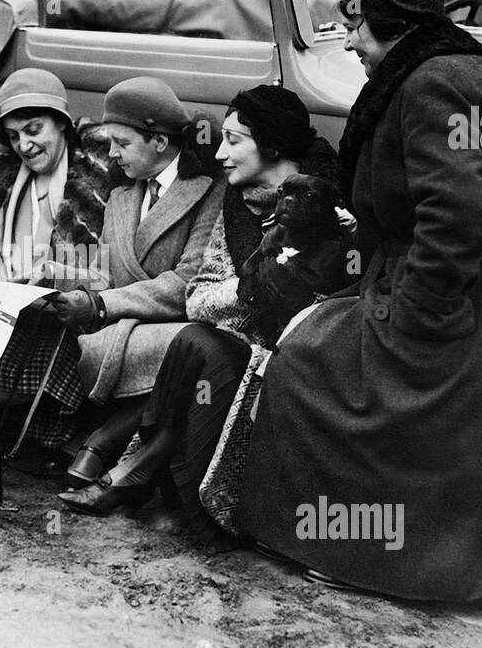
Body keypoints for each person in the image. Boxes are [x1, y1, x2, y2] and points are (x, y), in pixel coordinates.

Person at [236, 0, 482, 600]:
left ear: (390, 23)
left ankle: (374, 556)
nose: (349, 41)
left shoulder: (430, 84)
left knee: (315, 369)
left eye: (358, 24)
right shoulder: (447, 68)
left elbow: (456, 218)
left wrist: (415, 320)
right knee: (314, 347)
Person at [59, 86, 343, 535]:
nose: (220, 154)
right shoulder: (238, 204)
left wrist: (261, 293)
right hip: (230, 344)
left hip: (296, 355)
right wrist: (250, 287)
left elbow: (331, 300)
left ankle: (128, 464)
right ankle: (131, 468)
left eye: (234, 141)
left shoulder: (330, 210)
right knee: (201, 342)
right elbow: (199, 296)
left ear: (269, 144)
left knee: (199, 343)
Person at [48, 77, 224, 488]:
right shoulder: (122, 197)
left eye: (122, 144)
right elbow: (106, 272)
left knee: (183, 349)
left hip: (177, 326)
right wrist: (73, 290)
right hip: (125, 327)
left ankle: (104, 439)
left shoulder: (210, 191)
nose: (111, 154)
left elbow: (189, 282)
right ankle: (99, 441)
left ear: (159, 141)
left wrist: (102, 305)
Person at [0, 68, 114, 462]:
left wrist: (55, 276)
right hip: (2, 305)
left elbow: (106, 264)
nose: (24, 145)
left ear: (61, 123)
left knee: (46, 346)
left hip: (64, 312)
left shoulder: (99, 177)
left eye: (33, 130)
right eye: (14, 136)